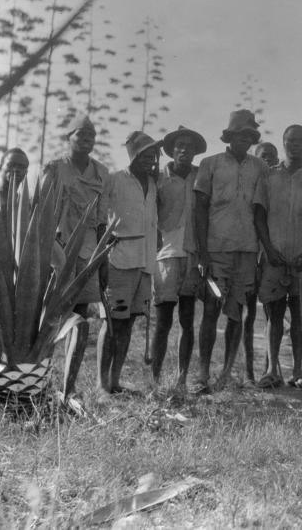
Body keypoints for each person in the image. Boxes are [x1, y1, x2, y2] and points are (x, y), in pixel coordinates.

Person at [193, 109, 269, 393]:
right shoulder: (209, 164)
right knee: (211, 308)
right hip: (216, 250)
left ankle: (225, 374)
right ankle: (202, 373)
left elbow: (260, 212)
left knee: (236, 312)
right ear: (230, 136)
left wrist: (262, 251)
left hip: (246, 251)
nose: (244, 140)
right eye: (240, 135)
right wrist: (202, 253)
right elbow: (200, 210)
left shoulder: (259, 167)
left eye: (249, 135)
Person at [254, 125, 302, 389]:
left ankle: (298, 370)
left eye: (300, 141)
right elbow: (259, 215)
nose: (295, 145)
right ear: (283, 142)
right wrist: (269, 250)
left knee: (298, 316)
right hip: (273, 256)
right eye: (290, 140)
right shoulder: (268, 177)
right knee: (274, 315)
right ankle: (273, 369)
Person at [42, 114, 109, 400]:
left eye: (91, 136)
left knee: (79, 318)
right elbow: (40, 211)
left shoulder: (101, 172)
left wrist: (102, 255)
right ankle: (39, 380)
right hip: (58, 250)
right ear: (68, 137)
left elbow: (102, 217)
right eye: (81, 135)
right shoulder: (55, 168)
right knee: (49, 317)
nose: (86, 140)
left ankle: (69, 387)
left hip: (88, 250)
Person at [100, 131, 161, 393]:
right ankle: (103, 384)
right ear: (133, 155)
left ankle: (115, 380)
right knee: (112, 322)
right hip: (120, 260)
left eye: (153, 155)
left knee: (130, 323)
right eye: (144, 154)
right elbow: (100, 216)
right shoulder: (114, 180)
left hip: (145, 262)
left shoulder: (153, 184)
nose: (149, 159)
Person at [151, 126, 207, 390]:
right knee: (163, 321)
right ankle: (156, 379)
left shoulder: (200, 176)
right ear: (172, 150)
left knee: (187, 320)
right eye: (179, 146)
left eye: (189, 146)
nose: (184, 150)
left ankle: (181, 379)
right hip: (166, 256)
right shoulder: (158, 177)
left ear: (196, 151)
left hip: (192, 255)